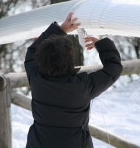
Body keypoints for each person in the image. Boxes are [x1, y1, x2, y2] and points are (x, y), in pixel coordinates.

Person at [24, 12, 123, 148]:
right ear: (70, 60)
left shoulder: (36, 79)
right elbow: (114, 68)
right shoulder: (83, 86)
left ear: (41, 58)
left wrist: (59, 30)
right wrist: (101, 44)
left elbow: (31, 53)